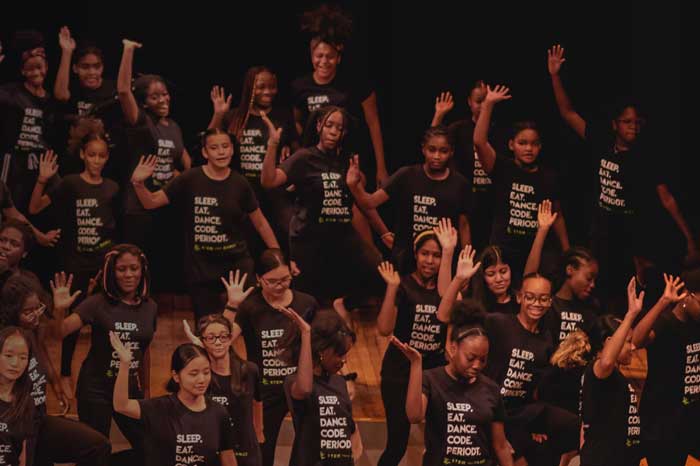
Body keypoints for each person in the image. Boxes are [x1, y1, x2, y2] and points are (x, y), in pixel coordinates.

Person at [548, 44, 698, 306]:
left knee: (635, 286)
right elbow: (568, 113)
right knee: (597, 284)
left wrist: (689, 240)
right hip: (603, 226)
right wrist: (554, 75)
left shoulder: (646, 156)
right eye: (628, 122)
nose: (634, 127)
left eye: (638, 123)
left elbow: (666, 199)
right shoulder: (602, 141)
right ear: (615, 124)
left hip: (633, 231)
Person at [130, 128, 279, 319]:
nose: (221, 152)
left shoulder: (240, 183)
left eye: (225, 146)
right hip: (201, 266)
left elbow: (260, 223)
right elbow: (151, 202)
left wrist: (277, 257)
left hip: (236, 262)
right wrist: (138, 184)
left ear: (232, 149)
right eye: (214, 148)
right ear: (204, 152)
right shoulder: (190, 178)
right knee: (206, 326)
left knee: (250, 318)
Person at [260, 106, 386, 313]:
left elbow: (363, 202)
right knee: (306, 304)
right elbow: (269, 181)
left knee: (379, 271)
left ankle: (344, 304)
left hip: (342, 236)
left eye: (340, 128)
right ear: (319, 126)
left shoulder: (348, 161)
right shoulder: (303, 158)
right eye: (329, 125)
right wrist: (273, 144)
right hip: (309, 239)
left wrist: (383, 231)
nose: (334, 131)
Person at [28, 121, 118, 396]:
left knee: (108, 319)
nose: (97, 160)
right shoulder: (70, 183)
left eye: (102, 155)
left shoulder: (113, 188)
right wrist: (43, 179)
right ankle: (65, 372)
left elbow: (115, 226)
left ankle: (106, 372)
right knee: (72, 323)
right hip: (75, 262)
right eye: (92, 154)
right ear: (82, 154)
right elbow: (34, 207)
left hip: (102, 263)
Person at [52, 244, 157, 461]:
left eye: (134, 268)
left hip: (128, 390)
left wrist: (146, 390)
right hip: (95, 389)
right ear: (111, 272)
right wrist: (60, 309)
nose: (128, 274)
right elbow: (60, 332)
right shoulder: (97, 303)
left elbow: (143, 351)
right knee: (94, 449)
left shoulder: (150, 307)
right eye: (121, 269)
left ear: (142, 270)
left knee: (149, 446)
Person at [0, 274, 111, 466]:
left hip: (39, 420)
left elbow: (43, 351)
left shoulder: (31, 331)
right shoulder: (6, 341)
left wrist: (56, 386)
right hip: (17, 427)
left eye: (38, 308)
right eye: (28, 311)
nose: (36, 315)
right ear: (11, 311)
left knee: (98, 445)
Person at [392, 299, 514, 466]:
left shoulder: (490, 388)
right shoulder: (431, 379)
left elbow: (500, 445)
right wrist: (416, 364)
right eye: (470, 358)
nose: (477, 365)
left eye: (483, 360)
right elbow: (414, 416)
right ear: (454, 348)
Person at [229, 249, 319, 466]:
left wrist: (344, 377)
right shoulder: (250, 306)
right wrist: (232, 305)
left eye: (285, 279)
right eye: (272, 281)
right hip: (265, 391)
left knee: (309, 451)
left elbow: (322, 344)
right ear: (259, 279)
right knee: (261, 451)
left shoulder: (306, 303)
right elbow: (223, 339)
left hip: (300, 386)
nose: (280, 285)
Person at [375, 223, 455, 466]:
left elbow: (448, 306)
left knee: (440, 443)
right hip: (399, 372)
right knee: (397, 445)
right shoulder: (404, 285)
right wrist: (391, 288)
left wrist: (450, 251)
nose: (430, 260)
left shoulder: (448, 291)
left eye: (436, 255)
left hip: (433, 374)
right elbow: (384, 329)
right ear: (415, 254)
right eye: (424, 254)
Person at [117, 38, 191, 290]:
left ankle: (148, 307)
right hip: (138, 205)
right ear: (145, 102)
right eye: (155, 96)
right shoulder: (141, 122)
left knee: (158, 264)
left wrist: (178, 177)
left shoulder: (175, 127)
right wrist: (128, 51)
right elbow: (124, 91)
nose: (163, 99)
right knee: (135, 261)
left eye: (165, 94)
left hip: (163, 201)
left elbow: (186, 164)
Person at [473, 84, 569, 279]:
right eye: (522, 143)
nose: (528, 148)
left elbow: (557, 215)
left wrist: (567, 250)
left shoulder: (548, 177)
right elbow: (479, 142)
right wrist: (488, 105)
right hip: (504, 250)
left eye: (534, 144)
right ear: (511, 145)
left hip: (535, 250)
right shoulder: (502, 168)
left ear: (540, 147)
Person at [347, 125, 472, 274]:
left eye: (443, 151)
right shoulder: (406, 176)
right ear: (423, 149)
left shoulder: (460, 184)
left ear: (451, 152)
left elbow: (463, 226)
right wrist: (353, 185)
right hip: (405, 260)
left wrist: (466, 262)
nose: (437, 156)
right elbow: (369, 202)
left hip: (442, 262)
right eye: (432, 150)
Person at [293, 4, 388, 187]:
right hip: (313, 162)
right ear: (311, 56)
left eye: (329, 56)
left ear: (339, 58)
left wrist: (381, 168)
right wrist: (297, 150)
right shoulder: (299, 87)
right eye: (319, 56)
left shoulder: (355, 84)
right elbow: (296, 123)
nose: (323, 62)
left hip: (347, 161)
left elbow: (374, 123)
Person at [110, 337, 237, 465]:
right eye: (193, 374)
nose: (202, 379)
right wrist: (125, 365)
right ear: (176, 376)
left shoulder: (218, 413)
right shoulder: (159, 408)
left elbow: (228, 458)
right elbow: (121, 405)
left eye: (206, 372)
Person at [631, 270, 700, 465]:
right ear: (687, 296)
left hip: (690, 416)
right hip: (662, 421)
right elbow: (637, 340)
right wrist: (663, 302)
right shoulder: (666, 323)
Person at [282, 309, 363, 465]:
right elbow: (305, 389)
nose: (344, 361)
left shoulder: (339, 382)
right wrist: (306, 334)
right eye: (339, 354)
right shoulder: (293, 382)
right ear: (321, 351)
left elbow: (347, 421)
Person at [580, 277, 645, 466]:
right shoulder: (597, 370)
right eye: (627, 341)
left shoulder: (613, 375)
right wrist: (630, 315)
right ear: (609, 343)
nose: (633, 347)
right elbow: (607, 361)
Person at [183, 314, 263, 466]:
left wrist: (259, 431)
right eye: (211, 338)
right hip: (209, 450)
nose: (218, 342)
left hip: (245, 451)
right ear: (202, 341)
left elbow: (257, 401)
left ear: (230, 338)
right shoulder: (200, 376)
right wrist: (198, 351)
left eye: (223, 337)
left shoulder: (249, 370)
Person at [430, 83, 496, 251]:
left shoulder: (500, 130)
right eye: (478, 101)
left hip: (491, 202)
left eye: (486, 100)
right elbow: (432, 142)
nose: (482, 105)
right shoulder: (459, 129)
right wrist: (439, 115)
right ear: (469, 102)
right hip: (462, 201)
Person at [0, 326, 36, 466]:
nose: (15, 364)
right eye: (9, 355)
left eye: (23, 357)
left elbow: (23, 452)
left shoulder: (26, 402)